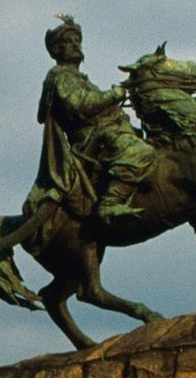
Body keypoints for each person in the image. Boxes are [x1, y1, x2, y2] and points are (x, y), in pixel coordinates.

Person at [38, 15, 154, 224]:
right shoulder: (60, 76)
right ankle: (110, 203)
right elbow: (80, 105)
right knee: (140, 152)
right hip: (92, 140)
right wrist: (113, 96)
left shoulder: (79, 78)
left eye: (77, 41)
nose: (75, 45)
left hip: (109, 132)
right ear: (56, 50)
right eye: (68, 42)